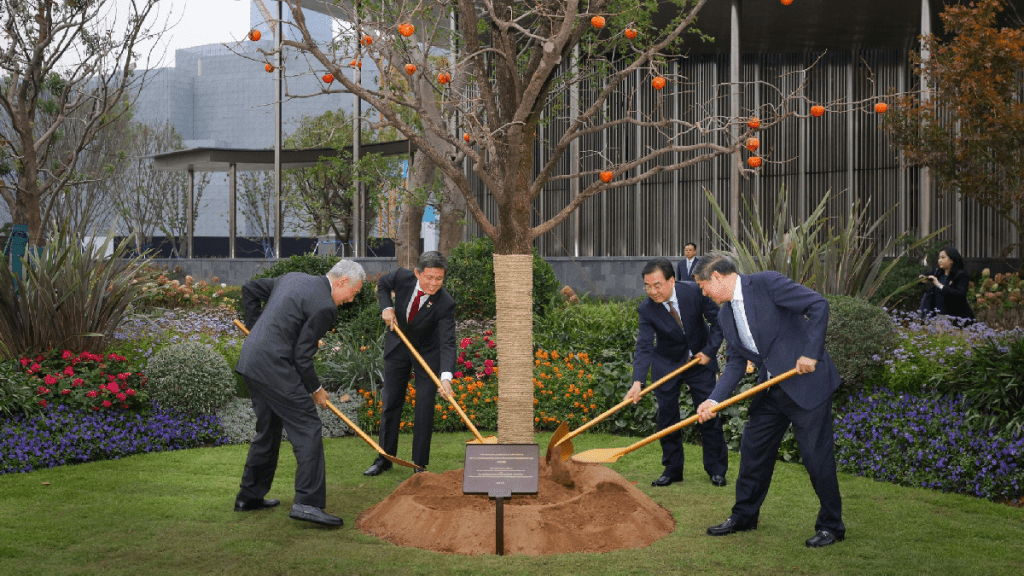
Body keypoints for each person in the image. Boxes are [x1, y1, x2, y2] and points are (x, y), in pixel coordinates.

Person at [692, 253, 845, 548]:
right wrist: (713, 400)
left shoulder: (767, 283)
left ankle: (831, 526)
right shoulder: (725, 315)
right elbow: (736, 363)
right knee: (753, 451)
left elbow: (818, 305)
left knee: (816, 458)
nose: (704, 293)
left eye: (703, 286)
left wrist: (811, 353)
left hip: (807, 384)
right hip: (772, 388)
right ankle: (744, 516)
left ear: (717, 277)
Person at [234, 259, 365, 528]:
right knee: (307, 426)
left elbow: (249, 289)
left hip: (252, 362)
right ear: (342, 281)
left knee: (268, 429)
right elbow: (302, 357)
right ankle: (308, 503)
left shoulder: (293, 278)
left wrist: (255, 329)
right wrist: (316, 390)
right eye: (354, 292)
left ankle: (249, 496)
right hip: (274, 367)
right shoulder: (325, 307)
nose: (351, 300)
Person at [628, 258, 727, 488]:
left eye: (658, 285)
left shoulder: (694, 291)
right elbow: (644, 346)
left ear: (671, 280)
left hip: (700, 361)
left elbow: (719, 322)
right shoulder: (646, 309)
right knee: (667, 417)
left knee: (708, 413)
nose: (653, 291)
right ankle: (672, 469)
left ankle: (716, 469)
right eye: (648, 286)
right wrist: (637, 382)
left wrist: (709, 351)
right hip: (667, 364)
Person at [364, 251, 456, 476]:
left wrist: (446, 379)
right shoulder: (402, 277)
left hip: (427, 354)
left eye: (439, 278)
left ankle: (418, 466)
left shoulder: (445, 303)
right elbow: (383, 285)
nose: (434, 284)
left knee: (424, 409)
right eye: (429, 278)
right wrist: (386, 308)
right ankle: (384, 458)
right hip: (398, 348)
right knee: (391, 404)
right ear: (417, 273)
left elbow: (447, 343)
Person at [918, 246, 975, 322]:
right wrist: (922, 278)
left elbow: (960, 294)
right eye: (939, 258)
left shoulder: (961, 275)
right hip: (938, 316)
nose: (939, 261)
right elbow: (923, 276)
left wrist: (939, 285)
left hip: (956, 318)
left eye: (943, 258)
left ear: (951, 260)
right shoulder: (938, 272)